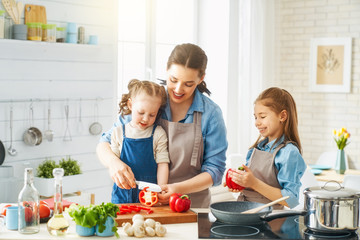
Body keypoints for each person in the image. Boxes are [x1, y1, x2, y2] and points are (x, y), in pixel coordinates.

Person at [97, 43, 228, 207]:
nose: (178, 89)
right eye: (173, 80)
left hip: (189, 205)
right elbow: (104, 143)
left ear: (201, 79)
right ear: (166, 70)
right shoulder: (150, 100)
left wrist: (177, 188)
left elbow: (215, 171)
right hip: (144, 202)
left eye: (188, 84)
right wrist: (113, 163)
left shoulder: (211, 114)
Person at [227, 87, 306, 209]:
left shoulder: (289, 153)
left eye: (262, 117)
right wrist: (239, 182)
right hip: (245, 213)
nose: (257, 123)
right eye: (255, 117)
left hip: (270, 219)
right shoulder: (257, 148)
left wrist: (253, 183)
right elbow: (253, 186)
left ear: (282, 116)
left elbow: (291, 199)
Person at [109, 79, 169, 203]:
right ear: (130, 105)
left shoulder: (158, 133)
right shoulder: (118, 132)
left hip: (149, 194)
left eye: (152, 115)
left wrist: (161, 189)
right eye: (141, 112)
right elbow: (113, 164)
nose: (146, 119)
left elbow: (162, 164)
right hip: (122, 193)